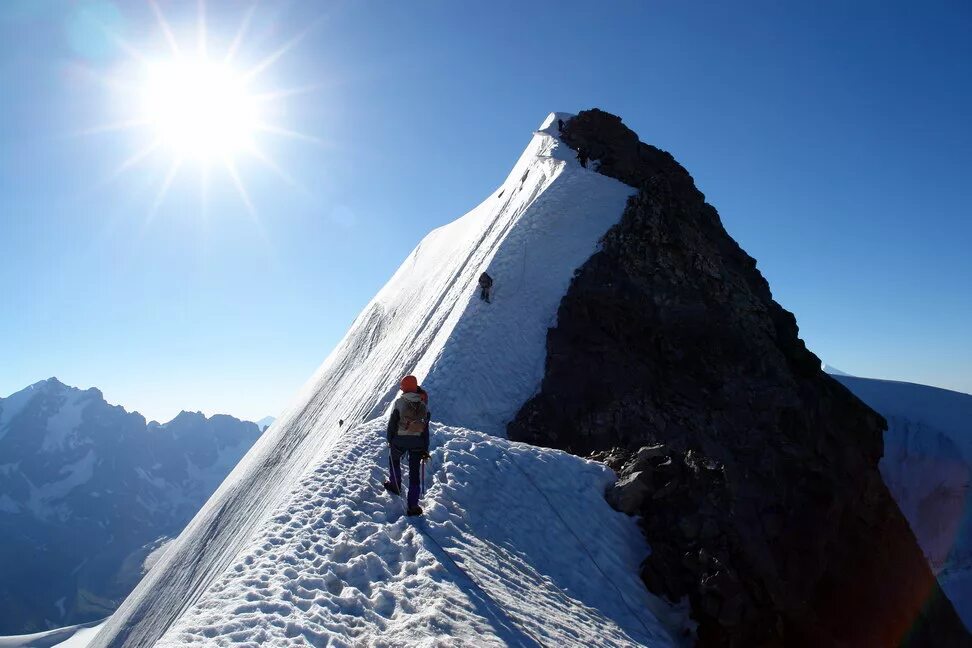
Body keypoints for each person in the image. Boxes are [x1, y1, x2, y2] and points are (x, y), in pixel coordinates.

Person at [384, 375, 430, 516]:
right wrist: (424, 448)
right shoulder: (423, 404)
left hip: (400, 440)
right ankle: (413, 506)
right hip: (417, 443)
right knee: (414, 473)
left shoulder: (399, 403)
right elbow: (425, 429)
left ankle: (395, 485)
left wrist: (390, 440)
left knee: (394, 460)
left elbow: (392, 423)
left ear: (403, 387)